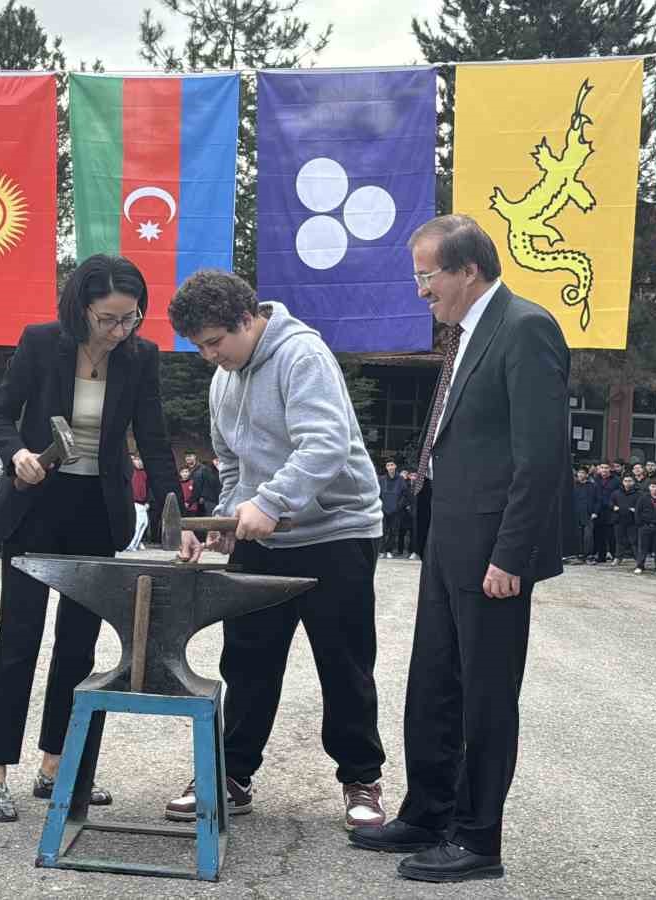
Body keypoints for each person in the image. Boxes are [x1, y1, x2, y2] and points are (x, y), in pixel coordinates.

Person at [350, 215, 569, 883]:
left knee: (485, 693)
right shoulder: (467, 335)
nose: (421, 290)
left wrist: (512, 555)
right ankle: (429, 810)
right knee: (434, 681)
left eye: (427, 274)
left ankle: (478, 837)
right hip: (448, 532)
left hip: (492, 547)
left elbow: (540, 458)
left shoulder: (525, 328)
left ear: (468, 269)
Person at [167, 269, 389, 832]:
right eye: (201, 346)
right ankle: (231, 774)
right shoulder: (225, 378)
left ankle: (361, 778)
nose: (210, 356)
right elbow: (234, 463)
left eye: (216, 341)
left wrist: (269, 501)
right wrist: (230, 516)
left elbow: (326, 443)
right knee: (246, 660)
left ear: (249, 319)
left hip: (336, 531)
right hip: (264, 536)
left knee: (344, 662)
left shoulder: (302, 356)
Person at [0, 254, 179, 823]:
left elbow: (156, 442)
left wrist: (174, 515)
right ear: (82, 308)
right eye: (108, 320)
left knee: (78, 646)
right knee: (18, 637)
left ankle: (58, 766)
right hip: (35, 504)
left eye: (131, 319)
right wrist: (16, 454)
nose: (120, 332)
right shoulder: (42, 342)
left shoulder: (140, 358)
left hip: (96, 511)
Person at [634, 478, 656, 575]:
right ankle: (640, 566)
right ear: (649, 487)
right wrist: (640, 524)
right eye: (653, 487)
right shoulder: (643, 498)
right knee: (642, 548)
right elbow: (638, 512)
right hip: (644, 526)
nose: (655, 489)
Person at [380, 460, 409, 559]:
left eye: (392, 465)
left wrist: (399, 506)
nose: (390, 467)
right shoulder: (382, 479)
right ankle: (381, 551)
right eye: (388, 465)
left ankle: (389, 551)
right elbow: (378, 494)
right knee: (382, 531)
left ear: (395, 466)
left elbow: (405, 495)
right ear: (386, 467)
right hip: (383, 509)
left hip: (396, 510)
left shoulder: (401, 479)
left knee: (393, 531)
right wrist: (380, 506)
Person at [610, 474, 639, 566]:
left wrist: (635, 509)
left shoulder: (638, 494)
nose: (627, 483)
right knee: (619, 540)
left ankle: (638, 559)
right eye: (625, 481)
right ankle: (618, 558)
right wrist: (613, 507)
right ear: (622, 482)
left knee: (634, 541)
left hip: (632, 520)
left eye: (630, 481)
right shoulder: (616, 493)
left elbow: (641, 505)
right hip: (619, 519)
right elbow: (610, 503)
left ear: (633, 482)